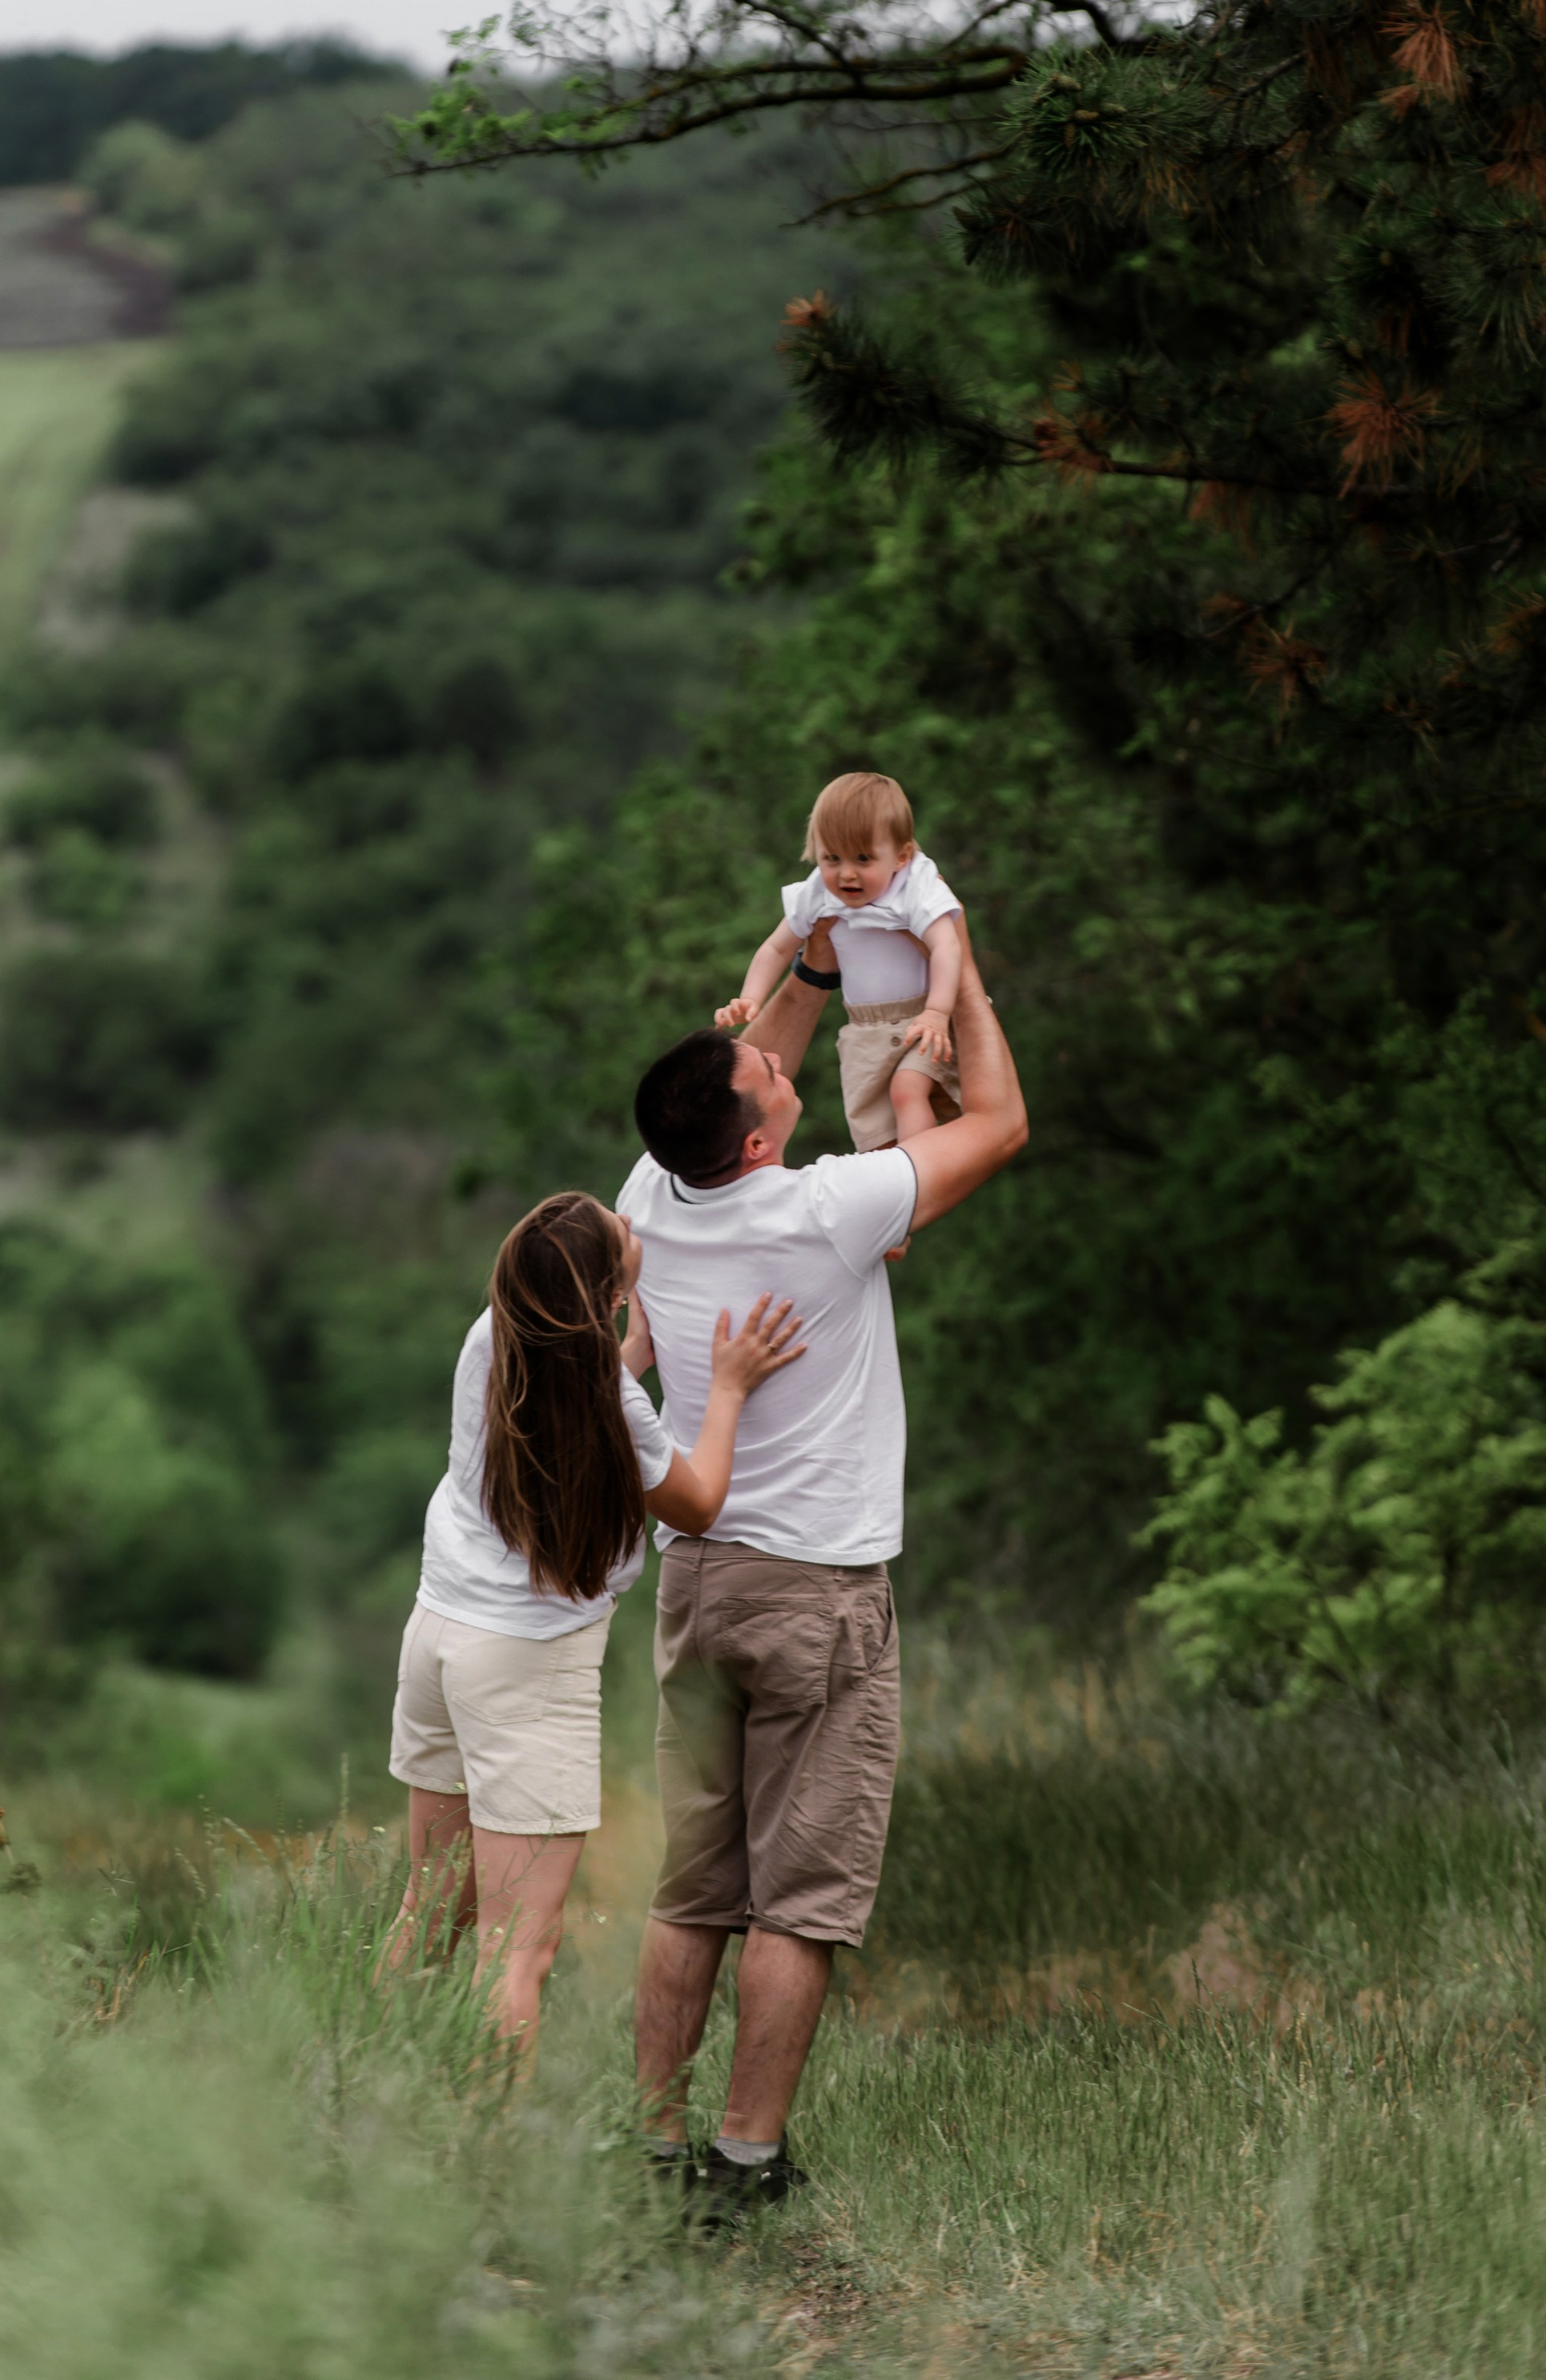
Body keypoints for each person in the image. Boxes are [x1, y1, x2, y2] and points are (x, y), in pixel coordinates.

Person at [619, 908, 1027, 2208]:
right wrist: (956, 974)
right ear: (757, 1139)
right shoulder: (831, 1209)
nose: (776, 1059)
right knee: (799, 1897)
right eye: (764, 1075)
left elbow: (758, 1072)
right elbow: (1001, 1125)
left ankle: (648, 2144)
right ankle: (745, 2162)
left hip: (698, 1582)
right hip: (816, 1596)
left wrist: (811, 960)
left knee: (692, 1890)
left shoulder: (649, 1194)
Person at [384, 1188, 804, 2056]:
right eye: (621, 1233)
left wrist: (628, 1348)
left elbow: (568, 1400)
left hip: (438, 1635)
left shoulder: (493, 1332)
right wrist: (727, 1389)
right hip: (524, 1668)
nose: (632, 1224)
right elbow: (696, 1500)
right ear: (606, 1291)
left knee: (429, 1909)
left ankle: (364, 2092)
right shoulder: (611, 1396)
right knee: (516, 1950)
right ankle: (492, 2136)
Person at [716, 769, 965, 1152]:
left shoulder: (916, 885)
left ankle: (922, 1170)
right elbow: (777, 948)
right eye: (832, 858)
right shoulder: (818, 892)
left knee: (907, 1090)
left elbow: (948, 945)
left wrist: (937, 1011)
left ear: (901, 856)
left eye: (863, 858)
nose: (847, 873)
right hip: (864, 1029)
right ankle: (897, 1177)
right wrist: (750, 997)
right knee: (874, 1133)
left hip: (920, 1018)